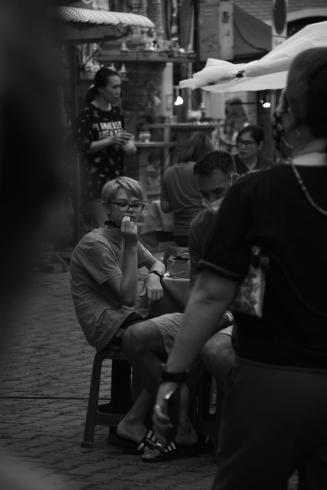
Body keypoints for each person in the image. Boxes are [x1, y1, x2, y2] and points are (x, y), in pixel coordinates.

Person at [154, 47, 327, 490]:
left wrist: (173, 377)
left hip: (271, 383)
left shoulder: (253, 193)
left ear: (287, 115)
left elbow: (211, 294)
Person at [70, 176, 194, 456]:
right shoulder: (96, 243)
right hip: (105, 323)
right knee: (173, 346)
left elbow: (159, 262)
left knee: (175, 347)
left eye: (136, 204)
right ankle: (170, 423)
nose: (131, 210)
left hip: (125, 317)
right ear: (107, 208)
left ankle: (138, 420)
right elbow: (125, 296)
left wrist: (152, 275)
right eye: (123, 204)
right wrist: (131, 244)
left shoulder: (126, 237)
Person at [77, 67, 136, 228]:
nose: (118, 91)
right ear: (101, 89)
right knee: (103, 228)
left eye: (120, 87)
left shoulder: (117, 112)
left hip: (117, 178)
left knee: (120, 226)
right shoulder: (87, 113)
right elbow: (83, 146)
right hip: (96, 179)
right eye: (114, 87)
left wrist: (128, 145)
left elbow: (122, 138)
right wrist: (111, 139)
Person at [160, 131, 215, 246]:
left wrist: (180, 201)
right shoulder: (202, 172)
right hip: (203, 230)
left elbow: (165, 207)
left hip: (180, 235)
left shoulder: (168, 172)